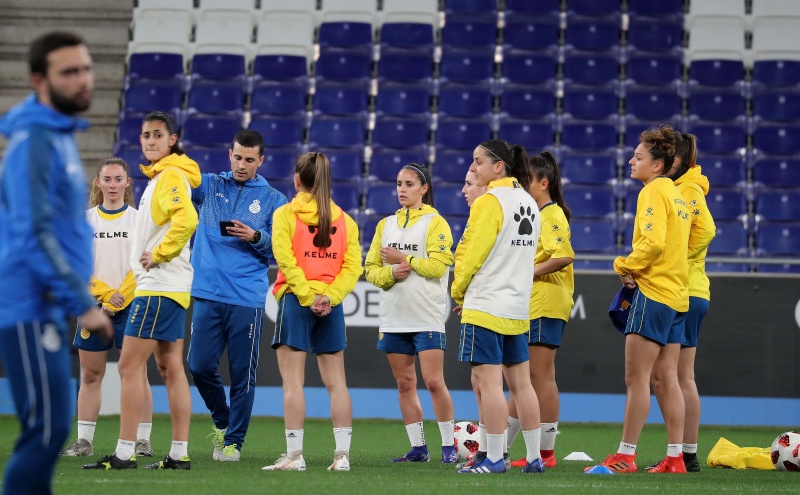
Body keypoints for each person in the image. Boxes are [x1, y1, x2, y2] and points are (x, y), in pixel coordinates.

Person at [0, 31, 112, 494]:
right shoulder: (36, 141)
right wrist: (81, 300)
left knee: (49, 428)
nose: (83, 79)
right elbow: (34, 233)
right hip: (29, 305)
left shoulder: (59, 134)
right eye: (69, 72)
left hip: (43, 304)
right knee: (45, 430)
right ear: (39, 80)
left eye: (85, 68)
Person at [83, 111, 201, 470]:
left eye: (157, 135)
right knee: (170, 369)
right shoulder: (162, 177)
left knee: (130, 367)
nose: (150, 140)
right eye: (146, 135)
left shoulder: (170, 176)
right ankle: (178, 454)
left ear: (172, 140)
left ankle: (123, 453)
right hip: (171, 289)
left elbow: (187, 219)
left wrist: (160, 253)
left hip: (157, 287)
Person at [585, 126, 690, 475]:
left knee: (637, 378)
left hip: (654, 292)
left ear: (657, 165)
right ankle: (675, 457)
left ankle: (625, 456)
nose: (631, 161)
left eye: (639, 157)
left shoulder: (652, 193)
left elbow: (653, 242)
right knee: (667, 379)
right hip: (677, 296)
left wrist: (624, 265)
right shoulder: (677, 194)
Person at [187, 129, 287, 462]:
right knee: (198, 365)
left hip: (246, 297)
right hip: (207, 291)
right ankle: (223, 420)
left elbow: (283, 249)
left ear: (261, 160)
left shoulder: (275, 200)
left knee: (242, 374)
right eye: (237, 157)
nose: (241, 165)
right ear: (229, 154)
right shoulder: (209, 184)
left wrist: (256, 235)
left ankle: (233, 442)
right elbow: (177, 176)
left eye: (249, 159)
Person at [450, 140, 545, 474]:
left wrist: (458, 289)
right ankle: (534, 459)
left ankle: (494, 458)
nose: (474, 168)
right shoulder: (529, 202)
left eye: (478, 162)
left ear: (499, 166)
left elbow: (473, 253)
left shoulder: (489, 201)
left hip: (487, 303)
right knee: (522, 385)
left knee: (488, 383)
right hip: (518, 306)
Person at [263, 152, 362, 472]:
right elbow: (352, 267)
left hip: (296, 301)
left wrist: (307, 296)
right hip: (330, 306)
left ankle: (294, 456)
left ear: (297, 180)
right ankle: (342, 456)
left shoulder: (285, 215)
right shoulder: (345, 220)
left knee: (293, 382)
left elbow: (285, 260)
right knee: (338, 383)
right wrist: (329, 297)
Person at [61, 157, 155, 458]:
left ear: (128, 183)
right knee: (90, 375)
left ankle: (142, 441)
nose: (112, 185)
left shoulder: (139, 219)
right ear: (98, 183)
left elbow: (142, 266)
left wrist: (119, 299)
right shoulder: (85, 221)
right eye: (107, 179)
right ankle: (84, 441)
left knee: (137, 375)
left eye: (118, 179)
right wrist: (104, 297)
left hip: (132, 307)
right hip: (93, 308)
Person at [364, 163, 458, 464]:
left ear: (424, 188)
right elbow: (371, 271)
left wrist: (405, 259)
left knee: (433, 381)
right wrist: (391, 273)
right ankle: (418, 448)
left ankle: (449, 447)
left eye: (408, 184)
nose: (402, 190)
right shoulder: (385, 225)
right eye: (398, 184)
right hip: (394, 316)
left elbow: (440, 265)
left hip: (427, 315)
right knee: (404, 382)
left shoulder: (435, 223)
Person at [646, 131, 715, 473]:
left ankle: (684, 454)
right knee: (676, 376)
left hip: (685, 288)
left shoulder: (686, 189)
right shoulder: (682, 187)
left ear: (674, 162)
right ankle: (685, 454)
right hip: (690, 287)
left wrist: (679, 257)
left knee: (671, 377)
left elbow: (706, 231)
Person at [507, 151, 574, 469]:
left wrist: (525, 273)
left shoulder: (552, 215)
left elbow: (563, 255)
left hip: (545, 302)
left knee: (540, 377)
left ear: (543, 183)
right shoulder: (536, 215)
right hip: (531, 302)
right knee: (523, 375)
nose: (521, 187)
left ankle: (545, 454)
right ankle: (499, 448)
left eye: (525, 181)